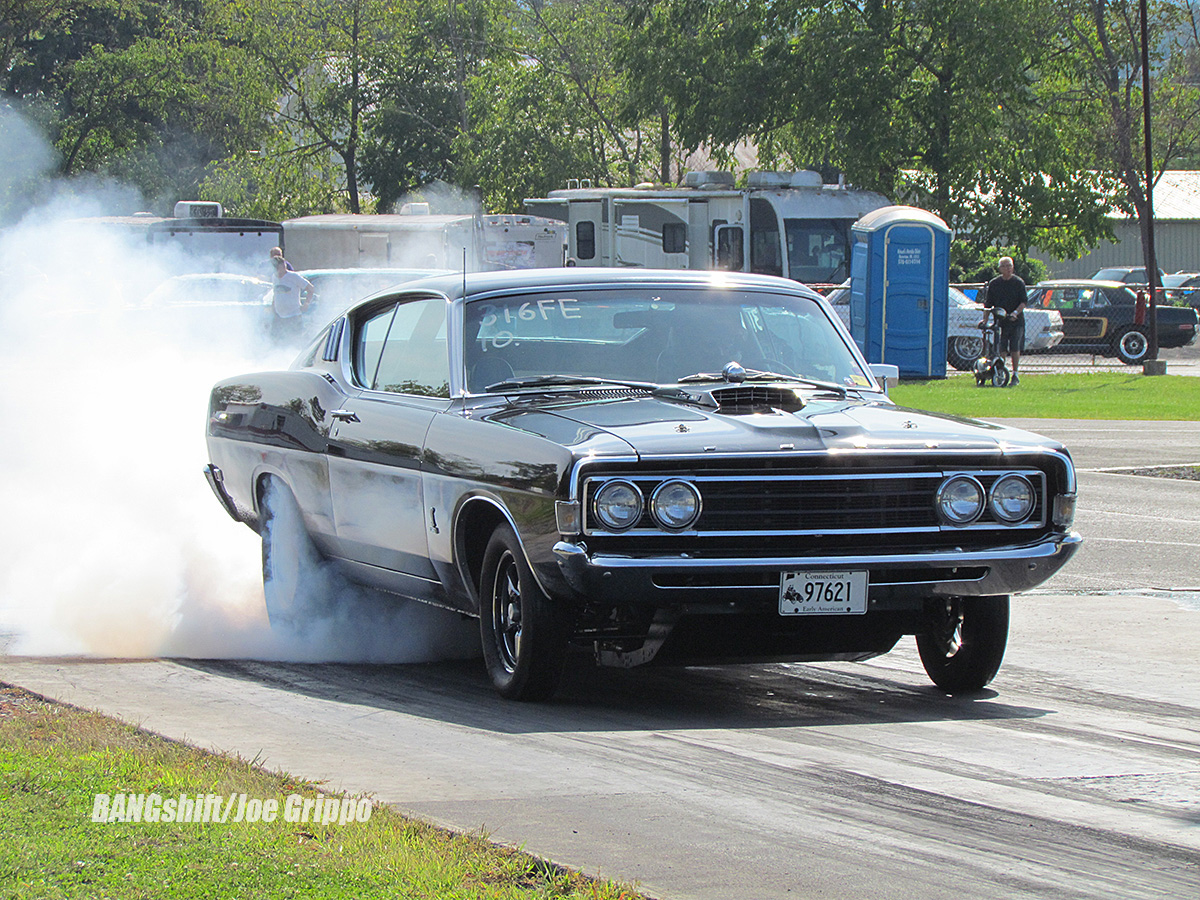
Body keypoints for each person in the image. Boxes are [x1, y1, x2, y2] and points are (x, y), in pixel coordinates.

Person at [984, 256, 1027, 385]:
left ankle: (1015, 374)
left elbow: (1024, 301)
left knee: (1015, 347)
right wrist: (985, 321)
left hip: (1016, 321)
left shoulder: (1018, 283)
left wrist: (1015, 313)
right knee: (1001, 347)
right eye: (1005, 266)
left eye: (1010, 266)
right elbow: (988, 304)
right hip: (1000, 321)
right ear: (1000, 268)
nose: (1008, 268)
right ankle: (1001, 372)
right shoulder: (995, 283)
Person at [270, 256, 315, 341]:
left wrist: (306, 303)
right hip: (279, 316)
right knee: (276, 341)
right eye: (278, 268)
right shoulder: (274, 277)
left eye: (283, 266)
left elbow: (310, 288)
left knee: (294, 340)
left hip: (293, 316)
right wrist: (273, 305)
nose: (281, 270)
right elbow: (276, 293)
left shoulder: (293, 277)